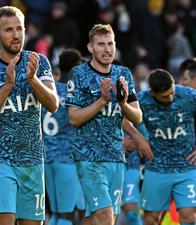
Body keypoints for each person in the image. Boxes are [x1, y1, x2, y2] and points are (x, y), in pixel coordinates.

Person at [0, 6, 59, 225]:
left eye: (20, 28)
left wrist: (32, 80)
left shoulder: (38, 62)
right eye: (9, 30)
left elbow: (53, 104)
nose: (16, 35)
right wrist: (7, 86)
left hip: (32, 160)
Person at [65, 24, 143, 225]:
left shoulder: (123, 73)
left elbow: (137, 117)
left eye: (110, 44)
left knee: (102, 219)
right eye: (101, 44)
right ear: (90, 48)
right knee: (105, 216)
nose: (107, 49)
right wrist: (102, 101)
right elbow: (73, 118)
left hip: (116, 157)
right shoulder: (79, 74)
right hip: (89, 158)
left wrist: (123, 103)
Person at [138, 69, 196, 225]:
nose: (170, 98)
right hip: (156, 167)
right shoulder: (141, 100)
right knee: (150, 220)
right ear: (153, 93)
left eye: (172, 92)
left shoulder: (188, 96)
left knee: (189, 217)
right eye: (164, 96)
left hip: (187, 166)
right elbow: (120, 114)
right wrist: (138, 138)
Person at [42, 49, 85, 225]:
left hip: (46, 157)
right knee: (67, 215)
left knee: (56, 213)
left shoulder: (48, 92)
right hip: (66, 159)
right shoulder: (73, 93)